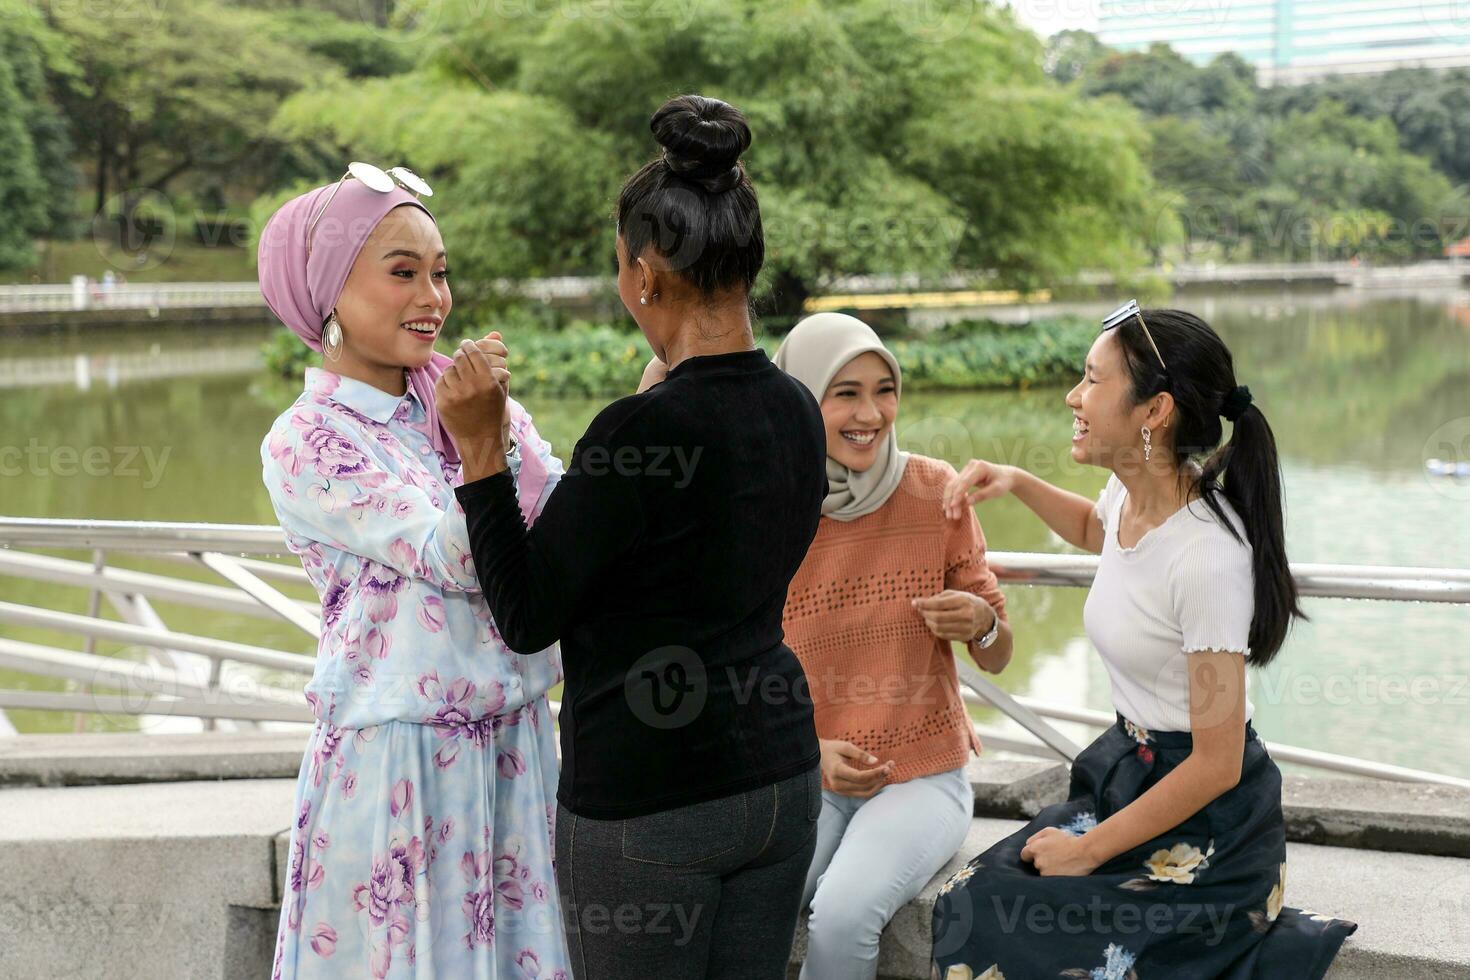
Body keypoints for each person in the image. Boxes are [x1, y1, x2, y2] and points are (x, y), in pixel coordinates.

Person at [437, 94, 828, 979]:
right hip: (780, 779)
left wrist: (478, 451)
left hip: (652, 804)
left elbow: (529, 611)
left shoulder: (637, 433)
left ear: (646, 275)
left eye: (622, 266)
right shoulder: (798, 408)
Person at [930, 304, 1357, 979]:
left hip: (1206, 823)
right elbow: (1098, 534)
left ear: (1153, 412)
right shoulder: (1130, 497)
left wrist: (1090, 850)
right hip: (1126, 779)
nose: (1073, 397)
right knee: (975, 895)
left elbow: (1216, 761)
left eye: (1092, 381)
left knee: (1023, 928)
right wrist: (1016, 481)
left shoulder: (1207, 555)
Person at [257, 166, 572, 979]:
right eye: (403, 272)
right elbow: (460, 557)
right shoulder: (308, 441)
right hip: (402, 765)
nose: (433, 295)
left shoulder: (454, 403)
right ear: (327, 293)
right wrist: (479, 441)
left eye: (440, 272)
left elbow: (562, 518)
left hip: (516, 744)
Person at [773, 312, 1013, 980]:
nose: (871, 413)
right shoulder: (769, 506)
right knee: (756, 907)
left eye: (885, 389)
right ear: (800, 395)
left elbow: (998, 652)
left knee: (844, 912)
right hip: (804, 774)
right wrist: (809, 751)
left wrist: (982, 623)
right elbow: (741, 664)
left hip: (920, 778)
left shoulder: (936, 491)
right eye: (845, 392)